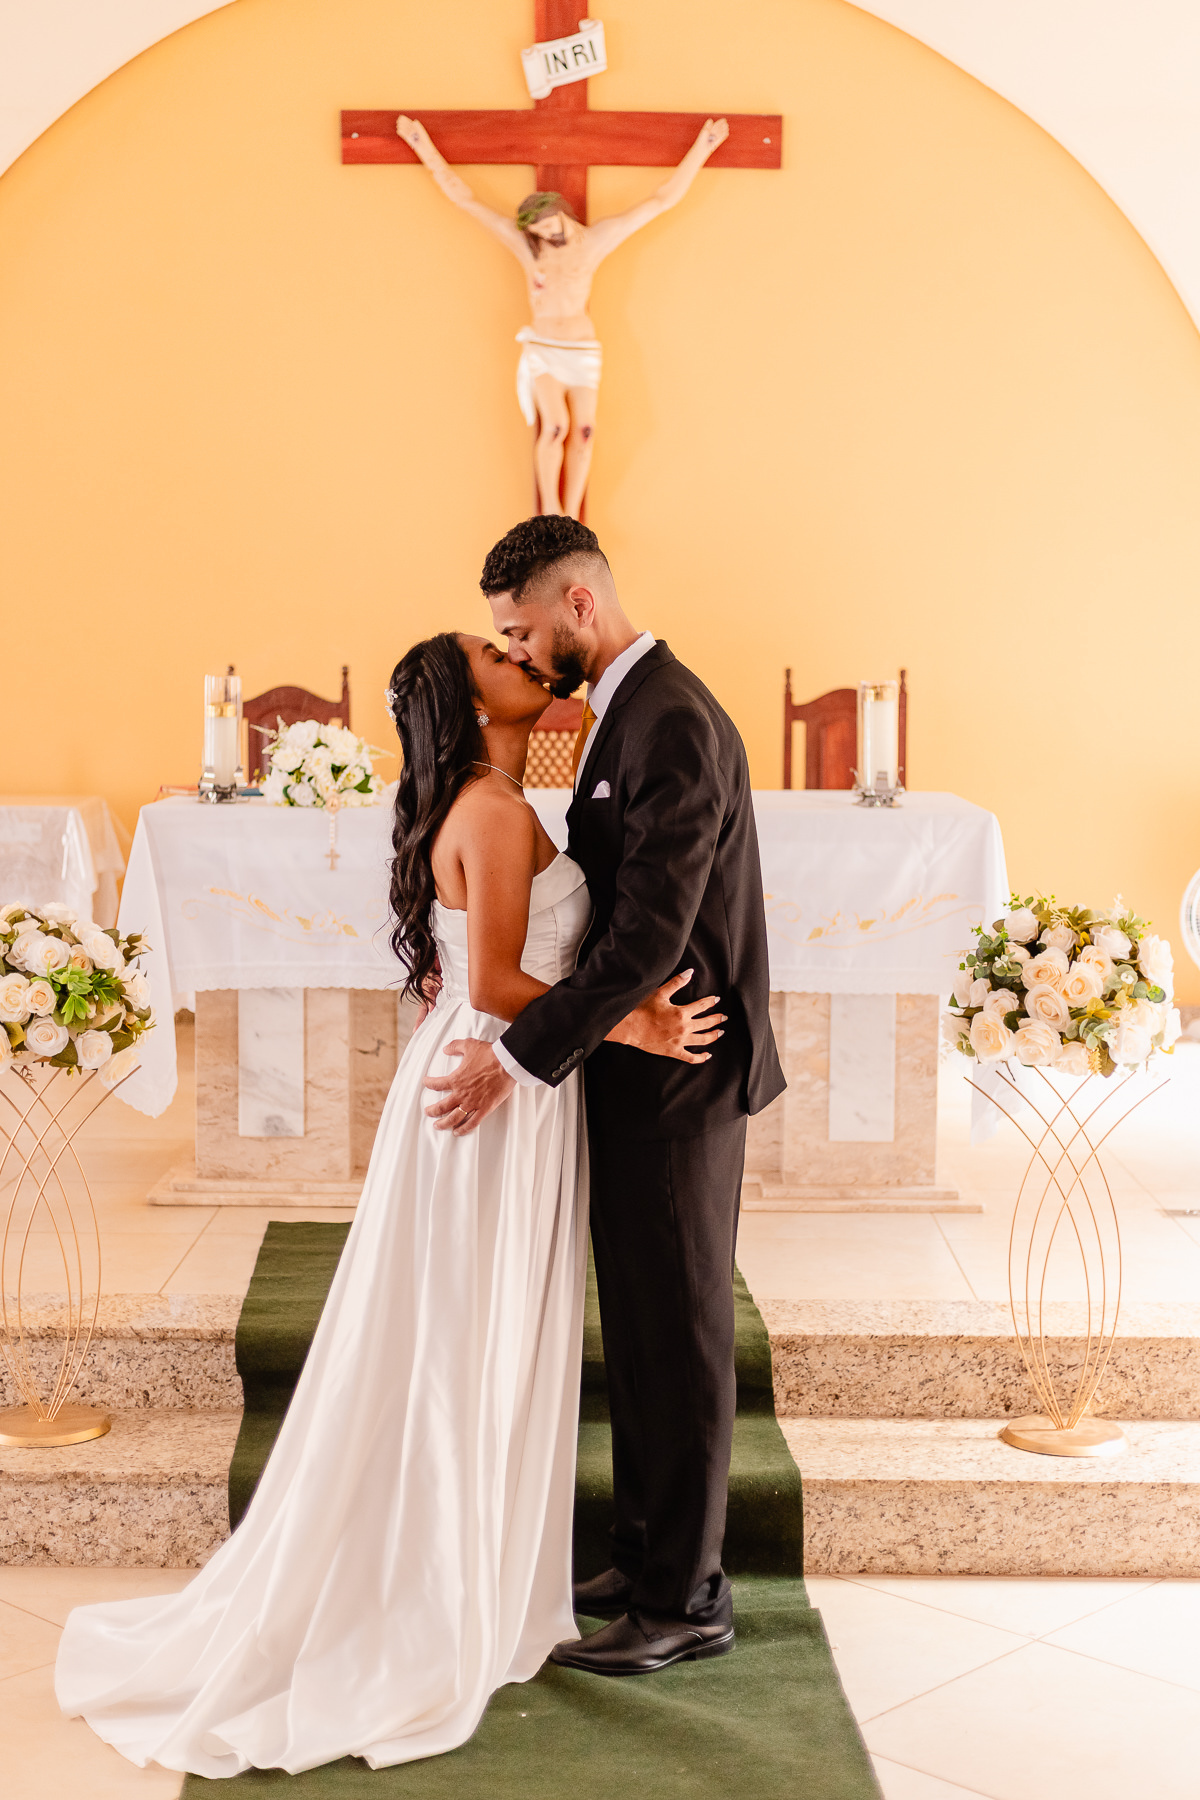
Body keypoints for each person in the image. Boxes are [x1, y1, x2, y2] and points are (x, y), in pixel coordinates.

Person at [54, 632, 717, 1776]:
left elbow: (475, 965)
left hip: (505, 1071)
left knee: (471, 1328)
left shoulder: (490, 794)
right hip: (499, 1080)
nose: (521, 655)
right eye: (497, 652)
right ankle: (436, 1585)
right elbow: (502, 982)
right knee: (465, 1333)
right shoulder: (495, 809)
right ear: (472, 697)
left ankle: (474, 1562)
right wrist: (636, 1022)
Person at [425, 514, 786, 1676]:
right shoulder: (624, 711)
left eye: (524, 628)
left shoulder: (669, 716)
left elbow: (644, 940)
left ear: (579, 603)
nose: (523, 652)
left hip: (678, 1072)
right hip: (632, 1068)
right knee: (635, 1326)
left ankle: (688, 1597)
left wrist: (518, 1050)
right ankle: (639, 1553)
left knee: (677, 1330)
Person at [394, 114, 730, 517]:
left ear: (561, 212)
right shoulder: (527, 248)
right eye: (538, 231)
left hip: (582, 348)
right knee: (554, 428)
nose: (548, 236)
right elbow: (465, 200)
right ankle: (550, 511)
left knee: (584, 433)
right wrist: (420, 143)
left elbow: (660, 201)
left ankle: (572, 515)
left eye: (550, 225)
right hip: (544, 348)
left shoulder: (595, 242)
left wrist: (704, 146)